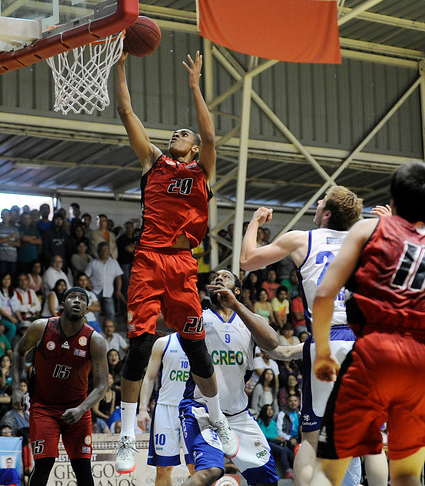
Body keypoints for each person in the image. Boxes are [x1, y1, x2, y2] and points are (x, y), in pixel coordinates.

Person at [308, 161, 425, 486]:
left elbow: (324, 295)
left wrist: (323, 352)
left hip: (373, 354)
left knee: (327, 471)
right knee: (407, 475)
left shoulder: (369, 229)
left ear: (392, 201)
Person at [115, 51, 237, 473]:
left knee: (196, 350)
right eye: (174, 131)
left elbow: (209, 132)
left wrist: (194, 87)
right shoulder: (153, 161)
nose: (176, 133)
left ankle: (218, 418)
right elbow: (125, 109)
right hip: (149, 261)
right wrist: (119, 64)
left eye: (183, 132)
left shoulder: (203, 167)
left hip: (184, 264)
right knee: (140, 345)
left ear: (195, 147)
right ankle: (128, 432)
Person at [240, 188, 387, 486]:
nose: (317, 204)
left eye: (321, 203)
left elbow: (247, 260)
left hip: (324, 339)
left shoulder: (302, 239)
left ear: (327, 213)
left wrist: (254, 222)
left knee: (309, 438)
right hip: (363, 341)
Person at [178, 270, 280, 485]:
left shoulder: (250, 321)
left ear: (236, 290)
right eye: (215, 277)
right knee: (210, 472)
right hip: (201, 409)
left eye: (225, 276)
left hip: (238, 415)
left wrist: (235, 305)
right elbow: (162, 322)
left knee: (268, 481)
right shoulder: (199, 316)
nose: (218, 278)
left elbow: (272, 342)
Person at [11, 286, 109, 486]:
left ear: (87, 309)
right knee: (43, 465)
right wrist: (15, 388)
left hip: (78, 408)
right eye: (72, 297)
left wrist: (82, 408)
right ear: (62, 304)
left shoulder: (95, 340)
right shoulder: (41, 327)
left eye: (82, 299)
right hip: (44, 408)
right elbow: (19, 352)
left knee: (83, 469)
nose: (77, 301)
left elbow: (102, 385)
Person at [136, 334, 195, 485]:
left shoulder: (206, 341)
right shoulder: (164, 342)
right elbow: (149, 377)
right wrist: (143, 409)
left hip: (193, 409)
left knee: (197, 467)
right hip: (165, 408)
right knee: (163, 468)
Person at [85, 242, 125, 321]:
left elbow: (118, 278)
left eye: (106, 249)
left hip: (108, 292)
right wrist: (90, 288)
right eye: (102, 250)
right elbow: (86, 276)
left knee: (111, 313)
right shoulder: (93, 263)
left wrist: (118, 291)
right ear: (98, 251)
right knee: (95, 313)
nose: (104, 252)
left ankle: (110, 331)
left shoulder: (114, 262)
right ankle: (96, 332)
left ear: (109, 251)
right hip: (95, 292)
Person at [258, 404, 295, 479]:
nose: (270, 411)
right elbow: (263, 434)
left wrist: (281, 439)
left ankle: (297, 468)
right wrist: (276, 437)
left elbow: (276, 433)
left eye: (271, 409)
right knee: (282, 451)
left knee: (289, 451)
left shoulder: (272, 422)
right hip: (267, 443)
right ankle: (287, 471)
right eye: (267, 409)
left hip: (275, 442)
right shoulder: (260, 421)